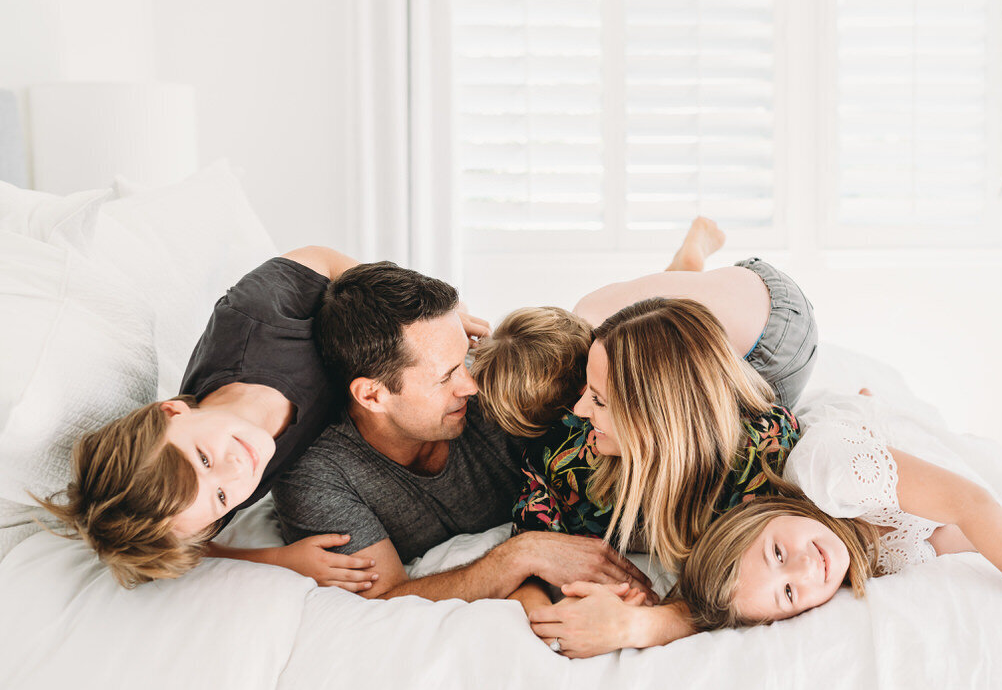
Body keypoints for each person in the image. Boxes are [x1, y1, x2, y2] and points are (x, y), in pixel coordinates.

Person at [470, 218, 820, 652]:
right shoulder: (565, 456)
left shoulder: (761, 455)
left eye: (596, 400)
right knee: (606, 329)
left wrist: (642, 623)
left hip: (769, 329)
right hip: (682, 359)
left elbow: (743, 589)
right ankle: (684, 264)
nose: (578, 412)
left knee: (599, 314)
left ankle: (690, 259)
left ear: (651, 421)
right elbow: (533, 544)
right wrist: (548, 614)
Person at [271, 261, 652, 602]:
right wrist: (521, 554)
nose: (471, 385)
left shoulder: (498, 381)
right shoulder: (318, 476)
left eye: (464, 355)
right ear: (373, 394)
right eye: (447, 375)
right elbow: (387, 593)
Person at [675, 392, 1002, 652]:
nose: (806, 568)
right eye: (789, 593)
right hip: (946, 496)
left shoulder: (830, 473)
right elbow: (970, 537)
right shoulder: (869, 560)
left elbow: (974, 506)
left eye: (777, 554)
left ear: (763, 515)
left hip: (923, 457)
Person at [37, 247, 408, 588]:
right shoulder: (210, 499)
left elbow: (324, 261)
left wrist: (417, 319)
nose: (235, 470)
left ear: (171, 411)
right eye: (220, 497)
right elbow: (188, 546)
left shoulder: (255, 316)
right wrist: (281, 559)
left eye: (203, 458)